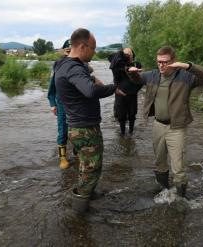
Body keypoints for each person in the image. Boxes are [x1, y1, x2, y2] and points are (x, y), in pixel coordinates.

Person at [128, 46, 203, 198]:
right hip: (158, 125)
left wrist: (188, 66)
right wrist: (132, 73)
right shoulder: (153, 75)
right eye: (159, 62)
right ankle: (164, 191)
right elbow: (138, 80)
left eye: (165, 62)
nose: (161, 65)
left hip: (177, 128)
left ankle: (181, 199)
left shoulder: (186, 77)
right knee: (159, 163)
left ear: (174, 61)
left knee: (178, 168)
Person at [54, 28, 122, 212]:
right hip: (85, 129)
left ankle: (88, 193)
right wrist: (112, 88)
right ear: (82, 46)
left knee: (85, 165)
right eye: (93, 48)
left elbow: (75, 80)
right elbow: (90, 91)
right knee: (92, 168)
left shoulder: (62, 64)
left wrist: (90, 76)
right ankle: (79, 211)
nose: (94, 52)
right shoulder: (74, 68)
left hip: (76, 126)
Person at [47, 39, 72, 170]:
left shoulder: (81, 65)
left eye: (71, 49)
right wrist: (52, 104)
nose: (68, 51)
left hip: (76, 104)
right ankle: (62, 157)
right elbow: (51, 89)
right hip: (61, 104)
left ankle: (77, 153)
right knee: (63, 130)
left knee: (76, 130)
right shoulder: (57, 65)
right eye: (66, 49)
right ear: (63, 51)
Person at [108, 47, 142, 136]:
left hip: (133, 94)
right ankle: (122, 133)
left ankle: (131, 132)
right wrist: (121, 56)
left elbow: (141, 80)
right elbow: (110, 58)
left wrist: (136, 89)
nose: (128, 56)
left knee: (132, 115)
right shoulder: (117, 65)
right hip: (120, 94)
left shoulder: (137, 64)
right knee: (121, 116)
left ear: (133, 55)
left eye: (129, 54)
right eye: (125, 54)